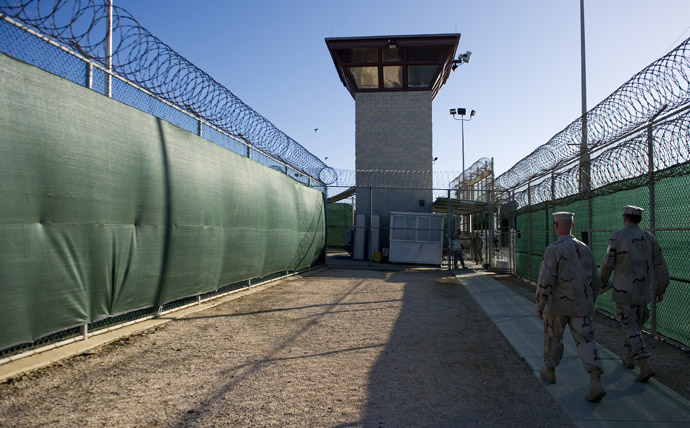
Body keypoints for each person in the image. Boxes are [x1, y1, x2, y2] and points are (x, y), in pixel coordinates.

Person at [536, 212, 605, 402]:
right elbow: (596, 280)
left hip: (558, 305)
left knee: (553, 337)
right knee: (586, 341)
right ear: (572, 225)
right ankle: (595, 380)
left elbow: (545, 279)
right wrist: (590, 300)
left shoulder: (553, 249)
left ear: (556, 226)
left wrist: (540, 304)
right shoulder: (585, 249)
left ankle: (550, 370)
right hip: (581, 304)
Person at [599, 205, 670, 382]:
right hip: (643, 292)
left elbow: (607, 264)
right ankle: (629, 359)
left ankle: (644, 364)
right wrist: (660, 289)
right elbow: (660, 266)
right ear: (639, 220)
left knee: (630, 326)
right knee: (635, 326)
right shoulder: (649, 238)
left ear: (625, 219)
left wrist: (599, 284)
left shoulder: (616, 236)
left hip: (624, 291)